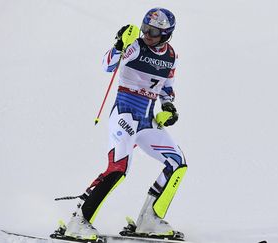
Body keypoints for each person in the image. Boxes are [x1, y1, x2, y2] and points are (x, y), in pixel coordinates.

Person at [63, 7, 188, 241]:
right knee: (119, 168)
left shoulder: (170, 55)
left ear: (167, 34)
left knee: (177, 163)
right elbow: (107, 65)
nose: (147, 34)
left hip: (147, 120)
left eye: (154, 32)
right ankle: (78, 221)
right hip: (125, 114)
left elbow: (167, 87)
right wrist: (120, 45)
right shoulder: (136, 46)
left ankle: (149, 218)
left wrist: (169, 107)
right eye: (145, 29)